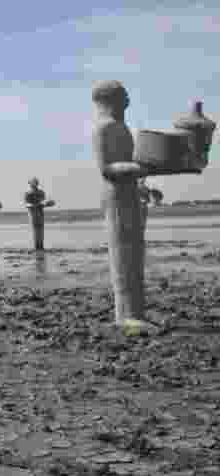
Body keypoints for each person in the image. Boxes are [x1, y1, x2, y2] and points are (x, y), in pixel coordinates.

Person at [94, 81, 151, 327]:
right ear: (111, 99)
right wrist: (142, 168)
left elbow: (128, 163)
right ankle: (127, 316)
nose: (128, 99)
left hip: (130, 194)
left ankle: (135, 313)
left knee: (135, 251)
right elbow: (107, 169)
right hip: (116, 197)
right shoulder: (104, 129)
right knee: (123, 252)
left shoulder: (121, 127)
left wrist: (144, 170)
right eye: (123, 95)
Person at [23, 178, 55, 251]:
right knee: (35, 229)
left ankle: (40, 247)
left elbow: (43, 201)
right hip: (32, 212)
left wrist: (47, 203)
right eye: (32, 183)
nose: (34, 184)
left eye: (35, 183)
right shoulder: (28, 193)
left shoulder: (41, 192)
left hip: (40, 212)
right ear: (30, 184)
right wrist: (33, 205)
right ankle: (36, 247)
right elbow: (26, 203)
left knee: (40, 229)